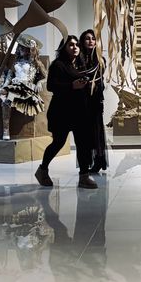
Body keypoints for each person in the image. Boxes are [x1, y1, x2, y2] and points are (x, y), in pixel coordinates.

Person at [35, 35, 98, 189]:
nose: (75, 47)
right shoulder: (58, 65)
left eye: (76, 45)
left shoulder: (78, 64)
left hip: (79, 111)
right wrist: (72, 85)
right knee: (58, 142)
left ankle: (84, 176)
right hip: (61, 112)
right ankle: (42, 170)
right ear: (64, 48)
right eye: (71, 45)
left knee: (82, 143)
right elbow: (51, 86)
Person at [76, 29, 108, 176]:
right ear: (82, 41)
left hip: (95, 99)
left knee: (96, 129)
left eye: (93, 39)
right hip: (81, 100)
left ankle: (99, 159)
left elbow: (98, 78)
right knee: (84, 132)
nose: (90, 41)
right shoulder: (78, 59)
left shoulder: (100, 60)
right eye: (87, 38)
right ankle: (86, 162)